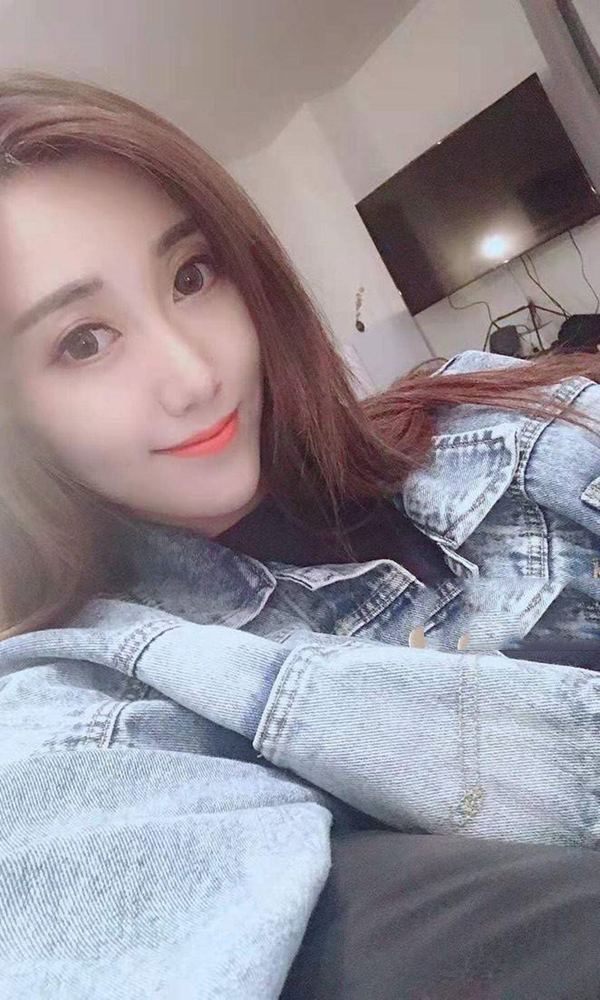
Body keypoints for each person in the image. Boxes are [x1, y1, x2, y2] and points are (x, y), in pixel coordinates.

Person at [0, 72, 599, 999]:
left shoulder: (492, 417)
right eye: (82, 341)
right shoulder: (88, 690)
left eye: (190, 276)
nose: (195, 376)